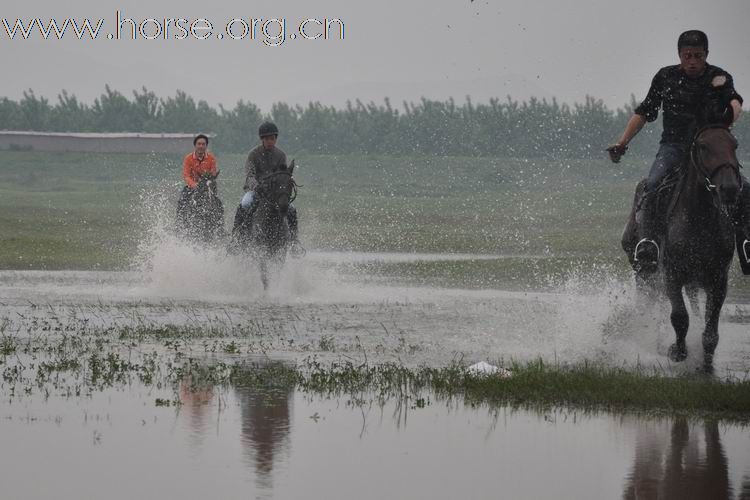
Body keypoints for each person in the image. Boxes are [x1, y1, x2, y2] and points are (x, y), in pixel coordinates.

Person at [607, 30, 744, 274]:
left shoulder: (719, 77)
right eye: (687, 56)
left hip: (708, 147)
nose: (692, 61)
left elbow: (735, 102)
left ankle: (745, 243)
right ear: (679, 56)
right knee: (652, 184)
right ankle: (648, 244)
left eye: (698, 56)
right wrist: (622, 142)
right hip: (673, 146)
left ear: (706, 55)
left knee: (742, 185)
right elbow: (644, 112)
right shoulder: (665, 77)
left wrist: (726, 123)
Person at [233, 122, 303, 253]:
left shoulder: (281, 155)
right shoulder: (253, 154)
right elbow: (249, 175)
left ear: (276, 139)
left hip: (274, 193)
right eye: (267, 139)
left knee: (292, 209)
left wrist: (288, 180)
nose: (270, 141)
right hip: (256, 191)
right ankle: (237, 238)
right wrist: (256, 186)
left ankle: (294, 241)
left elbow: (283, 173)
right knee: (245, 203)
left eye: (272, 138)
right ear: (262, 139)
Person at [178, 133, 219, 220]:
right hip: (192, 187)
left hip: (207, 187)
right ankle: (179, 224)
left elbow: (213, 173)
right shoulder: (188, 158)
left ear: (206, 146)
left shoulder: (211, 158)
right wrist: (195, 185)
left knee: (218, 203)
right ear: (195, 146)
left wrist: (210, 180)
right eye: (199, 144)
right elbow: (186, 176)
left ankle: (220, 226)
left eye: (203, 144)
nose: (201, 146)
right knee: (182, 201)